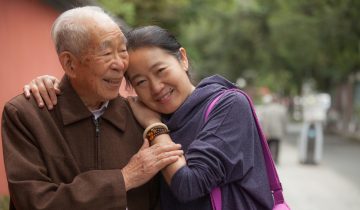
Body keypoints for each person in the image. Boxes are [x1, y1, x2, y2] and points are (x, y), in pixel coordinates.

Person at [24, 26, 274, 209]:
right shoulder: (142, 115)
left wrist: (154, 127)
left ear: (183, 58)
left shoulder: (228, 105)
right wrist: (51, 85)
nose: (156, 87)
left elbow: (189, 185)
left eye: (161, 70)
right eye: (141, 81)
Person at [2, 7, 184, 210]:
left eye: (123, 50)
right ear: (70, 64)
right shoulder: (27, 115)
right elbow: (34, 202)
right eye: (106, 52)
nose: (120, 64)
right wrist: (124, 178)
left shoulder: (141, 115)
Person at [259, 94, 287, 164]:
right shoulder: (282, 109)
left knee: (268, 146)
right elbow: (284, 121)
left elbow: (263, 122)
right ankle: (276, 159)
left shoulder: (266, 109)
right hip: (278, 130)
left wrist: (264, 131)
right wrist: (284, 130)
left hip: (268, 131)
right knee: (277, 145)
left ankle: (269, 160)